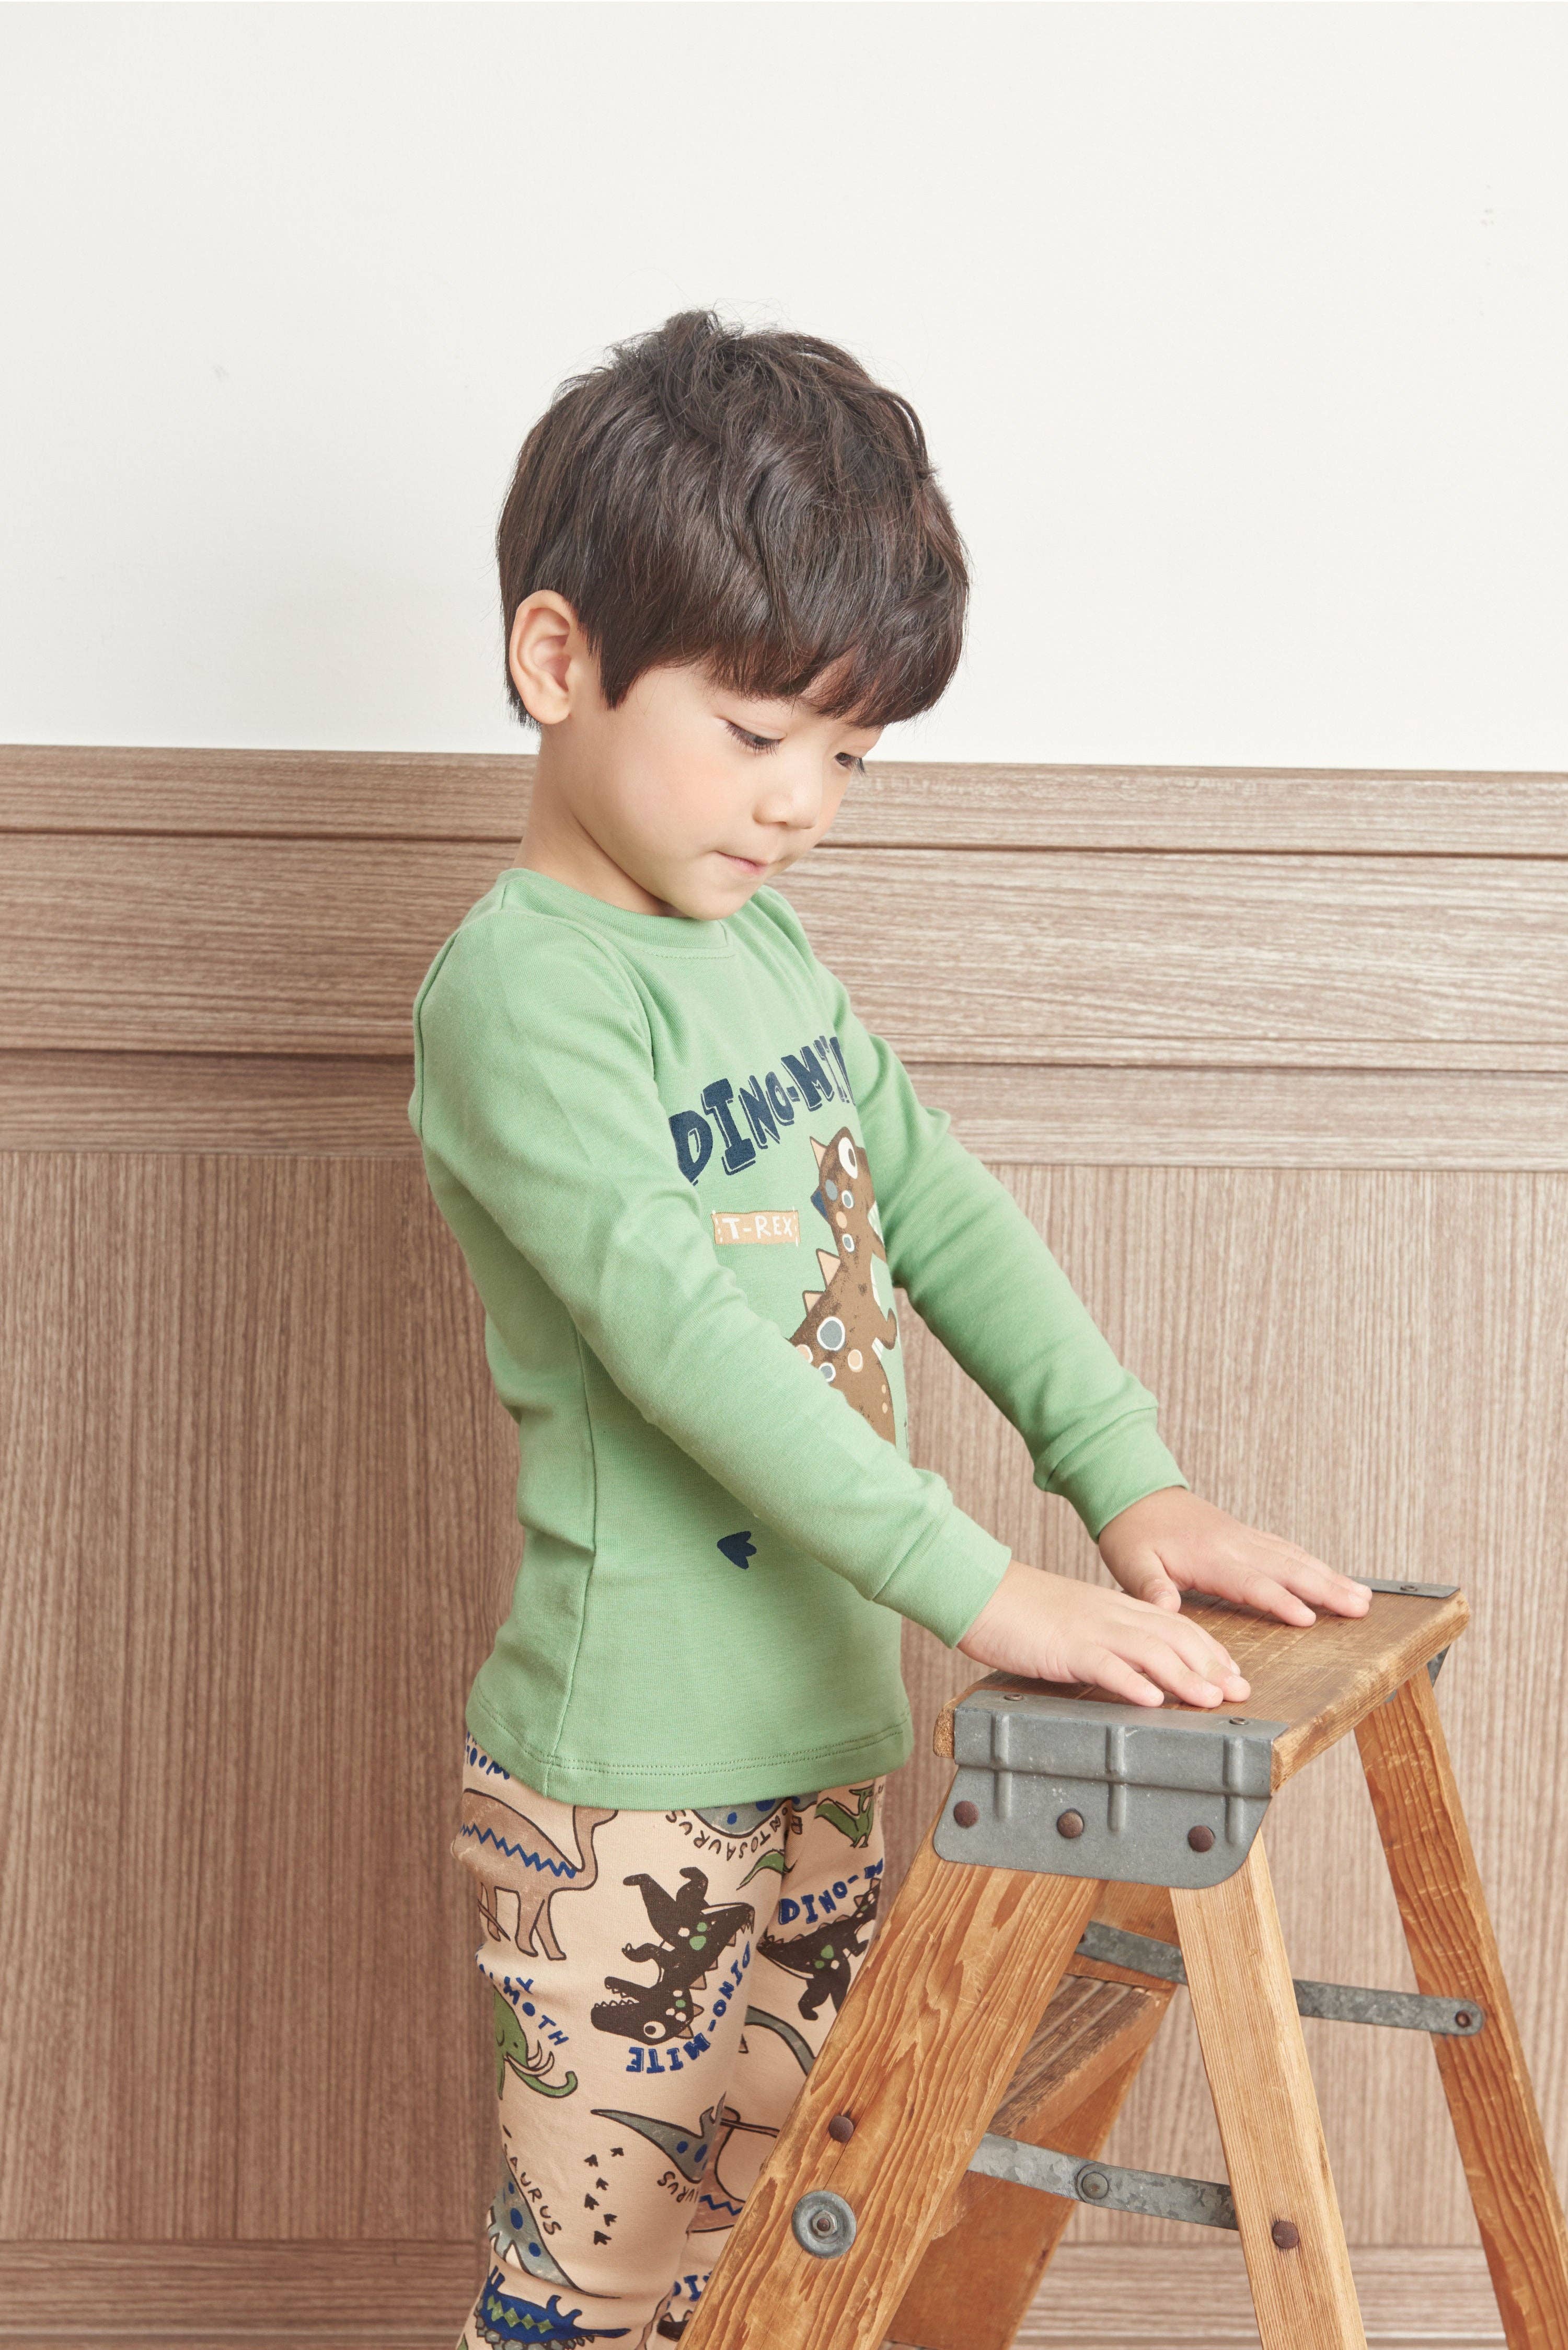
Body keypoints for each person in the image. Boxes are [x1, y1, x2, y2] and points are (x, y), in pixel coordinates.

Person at [409, 307, 1370, 2349]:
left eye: (846, 757)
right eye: (758, 734)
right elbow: (685, 1342)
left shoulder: (763, 953)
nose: (800, 804)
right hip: (626, 1790)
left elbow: (936, 1208)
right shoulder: (526, 994)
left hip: (835, 1745)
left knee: (797, 2255)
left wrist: (1127, 1477)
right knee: (597, 2290)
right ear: (558, 660)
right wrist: (986, 1589)